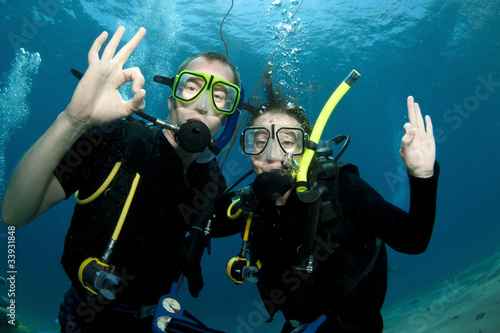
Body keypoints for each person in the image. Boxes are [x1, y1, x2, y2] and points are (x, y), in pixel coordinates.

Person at [1, 26, 243, 332]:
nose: (203, 104)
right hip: (85, 319)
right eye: (191, 87)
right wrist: (73, 120)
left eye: (220, 96)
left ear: (227, 118)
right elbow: (14, 213)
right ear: (171, 100)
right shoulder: (117, 140)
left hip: (155, 321)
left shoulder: (213, 183)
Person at [221, 93, 439, 332]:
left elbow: (413, 240)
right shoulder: (251, 206)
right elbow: (192, 224)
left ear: (307, 149)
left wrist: (422, 176)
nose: (273, 154)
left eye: (288, 141)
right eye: (260, 141)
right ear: (247, 148)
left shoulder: (341, 190)